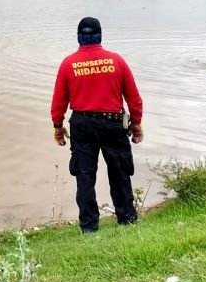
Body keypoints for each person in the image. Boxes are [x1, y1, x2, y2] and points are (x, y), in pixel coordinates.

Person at [51, 17, 144, 232]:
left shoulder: (68, 64)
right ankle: (127, 219)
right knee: (120, 172)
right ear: (100, 35)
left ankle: (89, 227)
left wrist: (58, 126)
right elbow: (133, 97)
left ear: (79, 37)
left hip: (82, 125)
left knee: (85, 176)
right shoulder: (116, 61)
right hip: (112, 123)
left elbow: (59, 100)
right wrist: (136, 124)